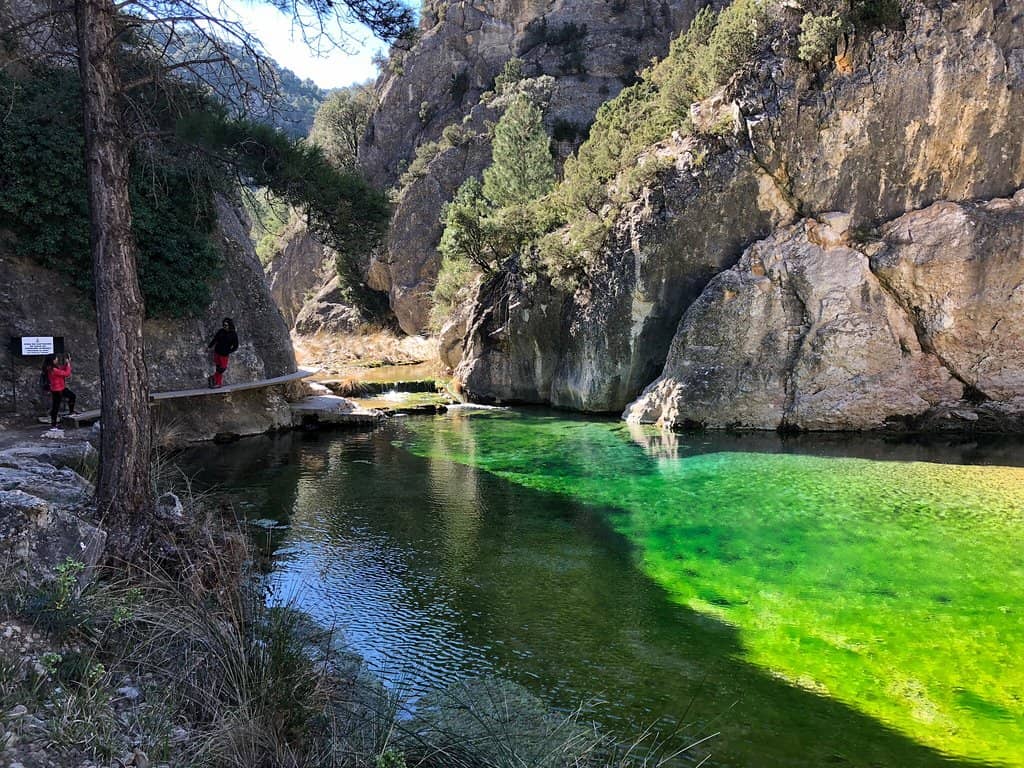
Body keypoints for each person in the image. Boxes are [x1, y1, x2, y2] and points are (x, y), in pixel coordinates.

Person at [45, 353, 76, 427]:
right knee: (56, 407)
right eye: (55, 358)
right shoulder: (53, 370)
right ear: (52, 360)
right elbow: (66, 373)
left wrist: (66, 364)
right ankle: (54, 424)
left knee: (72, 396)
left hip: (60, 388)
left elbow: (61, 370)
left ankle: (71, 412)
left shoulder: (52, 368)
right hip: (57, 390)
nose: (57, 359)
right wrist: (68, 364)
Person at [207, 317, 239, 388]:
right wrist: (209, 347)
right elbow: (215, 339)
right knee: (218, 368)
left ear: (230, 325)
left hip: (224, 354)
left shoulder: (233, 334)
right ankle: (218, 383)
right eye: (223, 325)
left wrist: (229, 351)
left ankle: (213, 377)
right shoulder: (221, 331)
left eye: (226, 325)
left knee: (223, 368)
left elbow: (236, 346)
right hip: (217, 352)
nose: (224, 327)